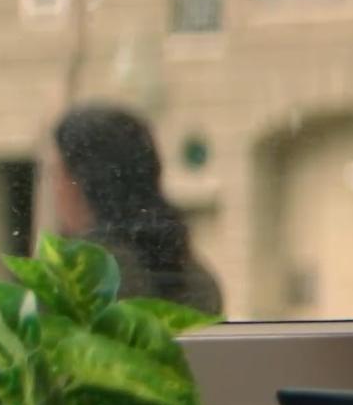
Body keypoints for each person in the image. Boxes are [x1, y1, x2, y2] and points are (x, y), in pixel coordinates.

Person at [48, 104, 224, 314]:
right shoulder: (195, 278)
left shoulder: (75, 276)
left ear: (77, 182)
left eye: (56, 173)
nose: (54, 189)